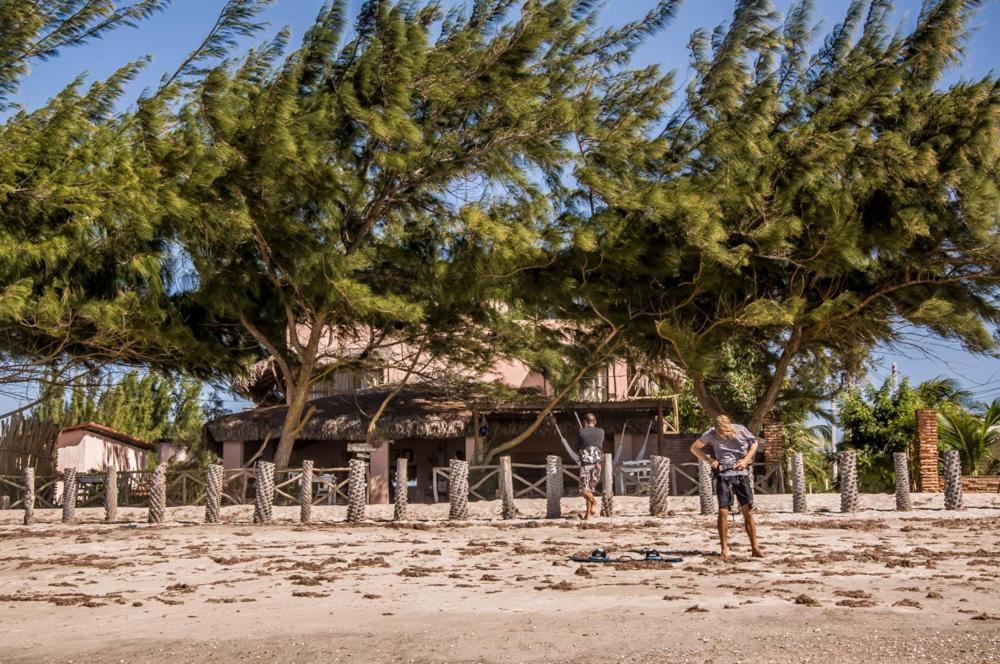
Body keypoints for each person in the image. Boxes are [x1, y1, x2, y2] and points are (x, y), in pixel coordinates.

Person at [690, 414, 764, 561]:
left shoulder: (741, 430)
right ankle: (724, 549)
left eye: (726, 432)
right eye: (720, 433)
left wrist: (745, 460)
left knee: (747, 511)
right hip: (723, 475)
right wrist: (709, 459)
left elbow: (754, 443)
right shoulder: (710, 433)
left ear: (730, 426)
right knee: (723, 511)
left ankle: (755, 547)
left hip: (741, 474)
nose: (723, 435)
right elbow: (694, 448)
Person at [577, 412, 605, 520]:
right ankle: (588, 515)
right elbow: (600, 445)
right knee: (589, 490)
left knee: (582, 490)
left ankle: (594, 502)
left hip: (586, 465)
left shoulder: (581, 431)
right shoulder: (601, 431)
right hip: (597, 465)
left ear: (585, 422)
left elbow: (578, 448)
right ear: (595, 422)